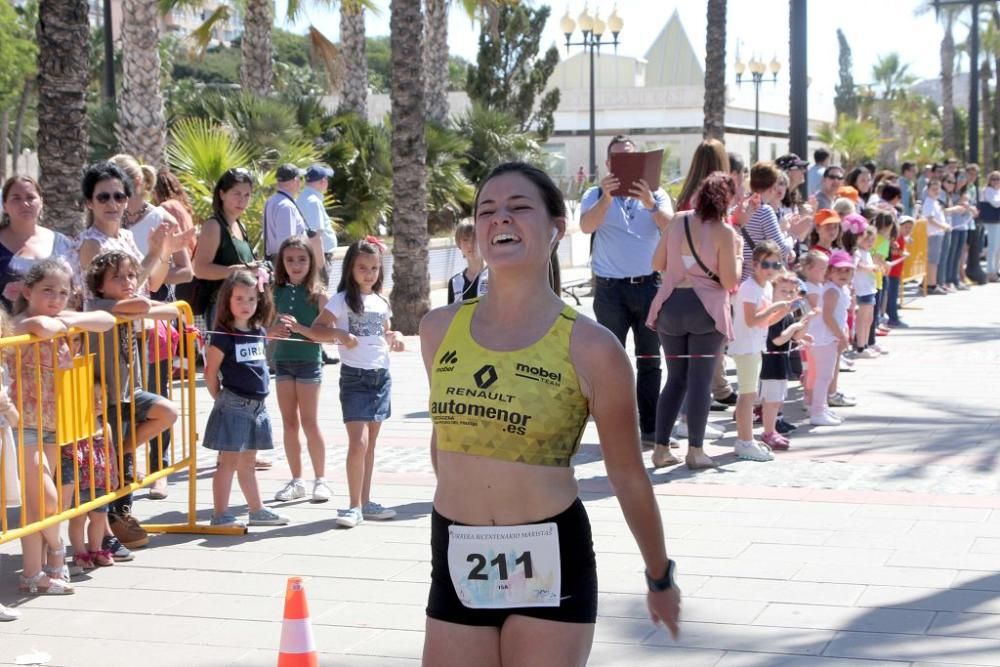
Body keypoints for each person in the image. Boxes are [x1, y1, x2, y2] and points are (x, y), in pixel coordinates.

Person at [420, 162, 680, 665]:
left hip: (549, 553)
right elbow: (443, 441)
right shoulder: (437, 330)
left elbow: (627, 475)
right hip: (456, 547)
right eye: (488, 211)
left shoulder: (593, 347)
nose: (501, 219)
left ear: (557, 228)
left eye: (519, 208)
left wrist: (659, 575)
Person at [8, 258, 116, 594]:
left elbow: (107, 319)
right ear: (28, 291)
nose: (56, 298)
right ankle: (55, 552)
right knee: (48, 499)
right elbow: (39, 326)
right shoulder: (17, 325)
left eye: (63, 292)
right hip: (22, 421)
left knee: (37, 503)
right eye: (47, 291)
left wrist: (71, 318)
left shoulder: (64, 319)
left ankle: (32, 573)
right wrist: (56, 322)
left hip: (54, 422)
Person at [579, 135, 673, 445]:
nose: (624, 165)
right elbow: (586, 227)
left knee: (650, 359)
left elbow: (671, 228)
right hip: (610, 291)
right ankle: (614, 430)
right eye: (618, 159)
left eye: (630, 159)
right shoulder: (594, 194)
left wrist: (649, 205)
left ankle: (650, 428)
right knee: (609, 362)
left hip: (648, 287)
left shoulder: (656, 194)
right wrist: (606, 199)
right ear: (608, 165)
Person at [645, 172, 741, 471]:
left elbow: (657, 263)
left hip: (670, 307)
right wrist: (737, 256)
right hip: (706, 310)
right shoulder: (725, 233)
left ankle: (661, 449)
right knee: (700, 381)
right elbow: (729, 280)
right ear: (727, 200)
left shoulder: (677, 221)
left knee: (675, 379)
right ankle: (696, 451)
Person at [306, 238, 404, 529]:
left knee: (370, 444)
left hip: (380, 377)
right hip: (355, 378)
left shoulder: (381, 301)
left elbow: (383, 333)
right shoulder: (341, 300)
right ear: (350, 268)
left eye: (374, 268)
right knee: (358, 443)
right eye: (362, 267)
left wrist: (395, 337)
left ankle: (365, 501)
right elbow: (317, 330)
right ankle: (351, 505)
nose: (369, 273)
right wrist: (340, 334)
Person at [85, 250, 181, 546]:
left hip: (131, 390)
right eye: (118, 277)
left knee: (166, 413)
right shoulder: (100, 305)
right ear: (100, 285)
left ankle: (121, 506)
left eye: (130, 275)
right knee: (108, 472)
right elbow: (146, 304)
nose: (128, 281)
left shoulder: (128, 307)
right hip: (106, 397)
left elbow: (174, 311)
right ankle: (110, 525)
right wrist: (145, 306)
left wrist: (146, 308)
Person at [202, 270, 290, 527]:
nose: (245, 305)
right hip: (234, 404)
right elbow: (210, 371)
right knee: (227, 463)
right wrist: (219, 397)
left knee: (248, 463)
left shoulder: (258, 330)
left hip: (257, 406)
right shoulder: (223, 334)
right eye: (239, 299)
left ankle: (256, 509)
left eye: (251, 299)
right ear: (227, 300)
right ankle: (220, 514)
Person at [270, 236, 332, 503]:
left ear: (312, 261)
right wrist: (271, 332)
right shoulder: (273, 292)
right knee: (289, 422)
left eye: (302, 259)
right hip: (283, 362)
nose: (296, 265)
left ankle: (321, 479)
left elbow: (327, 336)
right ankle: (297, 479)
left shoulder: (319, 295)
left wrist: (300, 329)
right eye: (290, 260)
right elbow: (264, 329)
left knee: (309, 421)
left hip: (309, 362)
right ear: (282, 262)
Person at [76, 161, 191, 303]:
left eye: (119, 197)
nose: (112, 204)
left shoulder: (126, 236)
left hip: (137, 322)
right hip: (110, 324)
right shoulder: (91, 243)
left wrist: (165, 252)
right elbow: (123, 291)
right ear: (89, 203)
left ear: (126, 201)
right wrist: (153, 253)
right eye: (103, 197)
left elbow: (151, 285)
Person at [731, 241, 792, 462]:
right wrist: (776, 307)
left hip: (756, 344)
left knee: (749, 394)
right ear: (754, 264)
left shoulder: (764, 287)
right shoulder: (749, 287)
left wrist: (783, 310)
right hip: (746, 346)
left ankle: (745, 439)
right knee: (747, 395)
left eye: (776, 265)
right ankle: (745, 441)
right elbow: (751, 320)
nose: (771, 269)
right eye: (766, 264)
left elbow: (763, 322)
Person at [192, 168, 259, 337]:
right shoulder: (213, 226)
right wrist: (237, 271)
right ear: (222, 194)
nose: (242, 200)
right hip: (222, 308)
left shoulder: (240, 226)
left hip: (245, 306)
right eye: (236, 193)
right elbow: (199, 269)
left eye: (247, 195)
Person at [0, 176, 75, 311]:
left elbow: (76, 288)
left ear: (41, 202)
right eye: (16, 198)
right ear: (5, 205)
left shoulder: (62, 243)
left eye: (30, 197)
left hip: (57, 327)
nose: (25, 204)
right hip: (9, 329)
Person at [759, 271, 813, 450]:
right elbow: (778, 339)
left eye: (791, 292)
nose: (788, 296)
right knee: (771, 400)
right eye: (783, 291)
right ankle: (768, 432)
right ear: (773, 292)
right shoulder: (775, 312)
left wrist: (804, 328)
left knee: (778, 398)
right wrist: (795, 328)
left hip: (782, 360)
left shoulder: (786, 314)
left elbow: (793, 338)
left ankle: (772, 429)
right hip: (771, 362)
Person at [807, 250, 854, 426]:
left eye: (847, 271)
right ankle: (818, 412)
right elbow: (828, 316)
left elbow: (839, 315)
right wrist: (841, 336)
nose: (843, 274)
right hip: (824, 338)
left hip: (828, 337)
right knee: (824, 376)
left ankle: (821, 407)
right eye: (839, 270)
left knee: (825, 375)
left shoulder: (840, 290)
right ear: (830, 272)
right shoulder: (832, 291)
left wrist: (843, 332)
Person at [741, 162, 795, 281]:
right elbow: (781, 249)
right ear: (773, 187)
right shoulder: (764, 210)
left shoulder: (739, 207)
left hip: (741, 278)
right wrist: (792, 234)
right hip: (757, 279)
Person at [263, 163, 323, 265]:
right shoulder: (286, 206)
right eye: (300, 178)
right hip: (287, 265)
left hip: (276, 261)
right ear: (295, 180)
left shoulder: (271, 201)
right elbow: (288, 245)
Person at [296, 164, 339, 290]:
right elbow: (315, 236)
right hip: (319, 256)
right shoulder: (313, 202)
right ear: (323, 181)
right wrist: (321, 267)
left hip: (311, 255)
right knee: (320, 295)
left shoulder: (303, 198)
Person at [151, 167, 197, 256]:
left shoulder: (166, 207)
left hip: (182, 257)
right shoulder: (181, 205)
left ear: (157, 190)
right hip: (191, 256)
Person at [921, 179, 955, 294]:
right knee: (932, 260)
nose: (936, 191)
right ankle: (931, 284)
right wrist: (943, 226)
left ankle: (929, 282)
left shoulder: (935, 202)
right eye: (933, 189)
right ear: (928, 190)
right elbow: (930, 219)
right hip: (933, 234)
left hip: (937, 234)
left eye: (938, 189)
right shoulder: (929, 202)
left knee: (934, 260)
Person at [851, 226, 879, 357]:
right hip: (861, 290)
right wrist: (869, 268)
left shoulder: (867, 252)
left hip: (869, 288)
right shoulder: (857, 252)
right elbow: (855, 265)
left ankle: (866, 343)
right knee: (862, 319)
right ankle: (861, 346)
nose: (870, 243)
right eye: (867, 240)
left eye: (872, 240)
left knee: (869, 319)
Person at [447, 219, 488, 304]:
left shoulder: (496, 277)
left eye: (475, 239)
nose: (470, 244)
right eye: (465, 240)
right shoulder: (455, 282)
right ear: (459, 244)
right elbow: (451, 314)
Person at [886, 216, 913, 327]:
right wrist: (901, 253)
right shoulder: (896, 237)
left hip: (896, 271)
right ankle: (893, 318)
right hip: (891, 271)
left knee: (893, 295)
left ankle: (892, 316)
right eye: (905, 227)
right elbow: (891, 251)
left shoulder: (901, 237)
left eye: (910, 228)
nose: (908, 230)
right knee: (892, 296)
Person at [980, 171, 1000, 281]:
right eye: (994, 179)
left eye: (998, 179)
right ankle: (990, 271)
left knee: (998, 248)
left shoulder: (998, 191)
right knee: (992, 247)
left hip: (998, 221)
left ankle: (996, 270)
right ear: (989, 180)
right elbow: (995, 203)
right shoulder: (987, 190)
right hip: (991, 221)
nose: (996, 181)